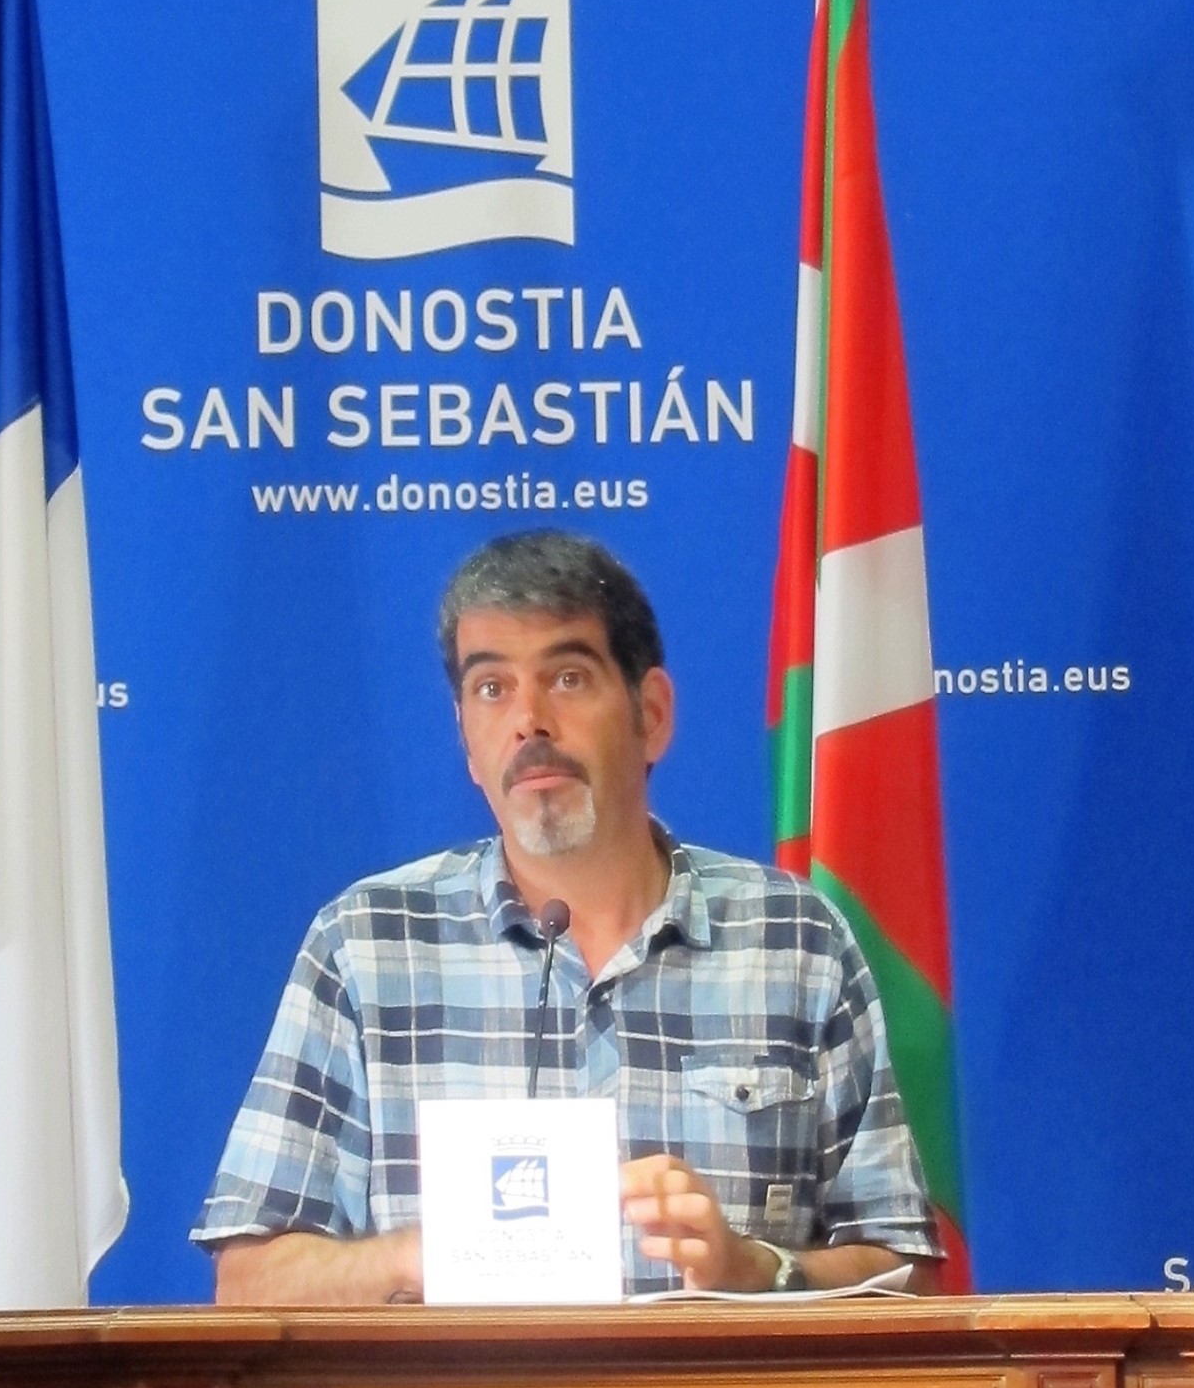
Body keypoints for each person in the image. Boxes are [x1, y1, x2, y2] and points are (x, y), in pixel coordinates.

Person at [194, 531, 940, 1303]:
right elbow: (249, 1281)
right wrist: (419, 1257)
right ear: (467, 742)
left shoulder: (793, 940)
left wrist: (757, 1270)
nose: (529, 721)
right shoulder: (367, 945)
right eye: (492, 688)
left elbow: (907, 1274)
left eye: (569, 677)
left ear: (652, 714)